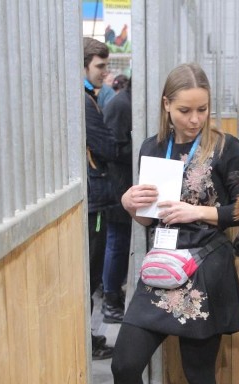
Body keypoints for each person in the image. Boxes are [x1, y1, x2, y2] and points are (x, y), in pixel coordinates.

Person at [108, 63, 239, 384]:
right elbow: (146, 216)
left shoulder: (226, 148)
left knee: (198, 372)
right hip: (161, 266)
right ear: (166, 106)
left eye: (202, 110)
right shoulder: (152, 147)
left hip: (206, 269)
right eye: (186, 110)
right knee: (124, 363)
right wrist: (128, 203)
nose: (195, 119)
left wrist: (201, 212)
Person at [83, 37, 120, 360]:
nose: (104, 72)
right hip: (93, 199)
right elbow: (107, 146)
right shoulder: (83, 102)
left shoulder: (88, 98)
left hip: (93, 194)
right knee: (90, 274)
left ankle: (87, 336)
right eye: (100, 66)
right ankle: (86, 339)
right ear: (83, 65)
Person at [100, 76, 133, 323]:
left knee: (118, 242)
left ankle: (113, 296)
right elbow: (111, 148)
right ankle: (110, 300)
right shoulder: (121, 105)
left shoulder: (124, 102)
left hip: (122, 183)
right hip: (117, 184)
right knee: (117, 242)